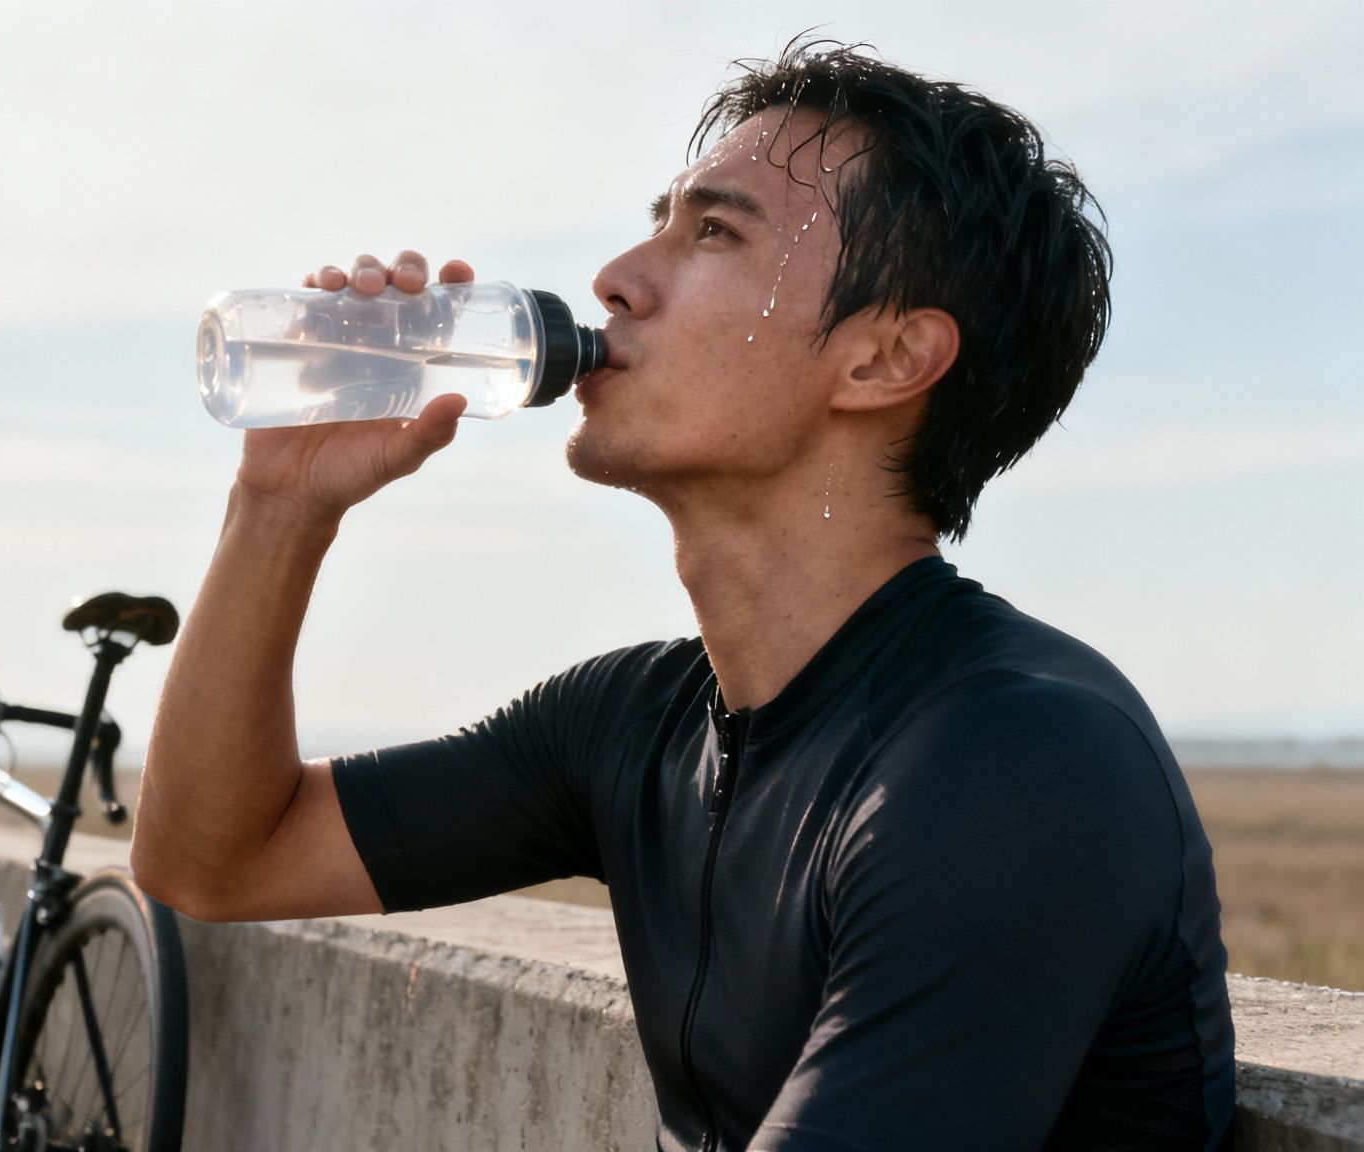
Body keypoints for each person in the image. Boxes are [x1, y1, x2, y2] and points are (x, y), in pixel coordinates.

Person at [131, 40, 1235, 1152]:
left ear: (884, 360)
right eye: (658, 220)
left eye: (712, 232)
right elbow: (213, 859)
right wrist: (279, 507)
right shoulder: (633, 724)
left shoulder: (1014, 763)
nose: (614, 276)